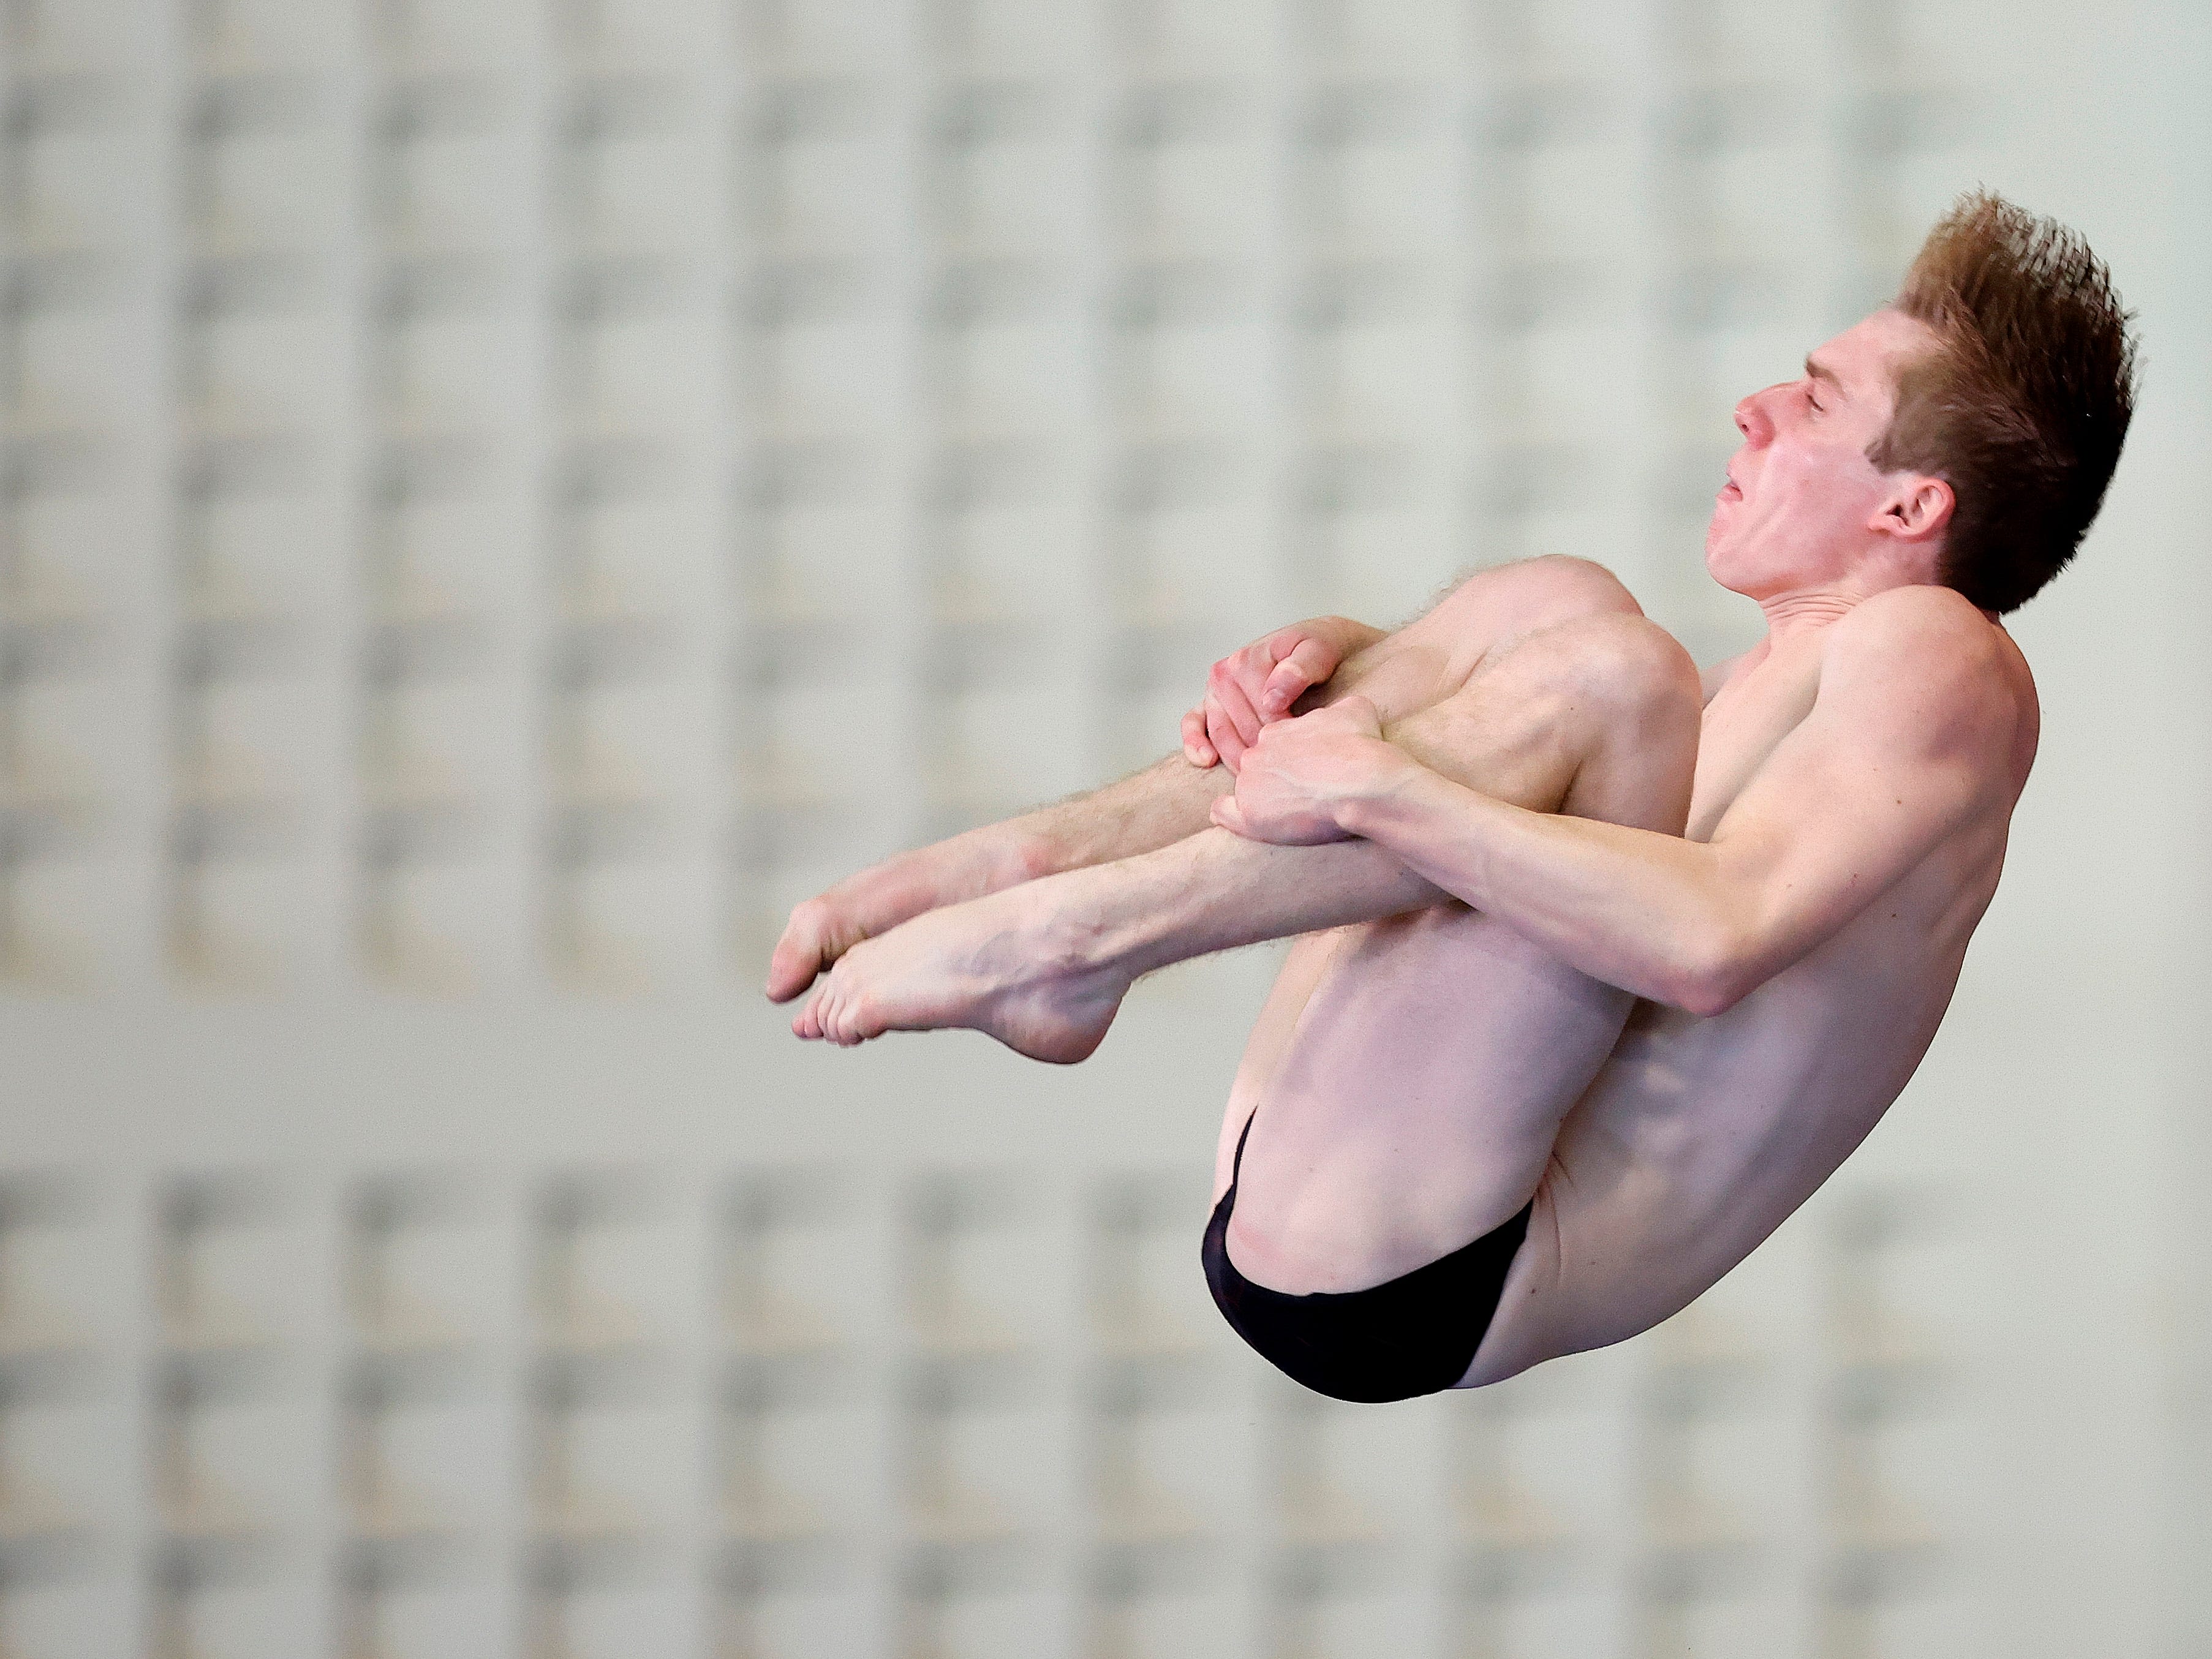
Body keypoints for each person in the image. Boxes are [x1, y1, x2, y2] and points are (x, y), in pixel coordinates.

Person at [763, 192, 2137, 1402]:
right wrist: (1332, 679)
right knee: (1556, 607)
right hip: (1335, 1174)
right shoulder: (1766, 687)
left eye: (1816, 400)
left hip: (1438, 1259)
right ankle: (1024, 873)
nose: (1753, 410)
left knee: (1610, 673)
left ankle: (1071, 938)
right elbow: (1520, 853)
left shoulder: (1938, 654)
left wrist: (1381, 779)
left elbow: (1711, 941)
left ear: (1908, 512)